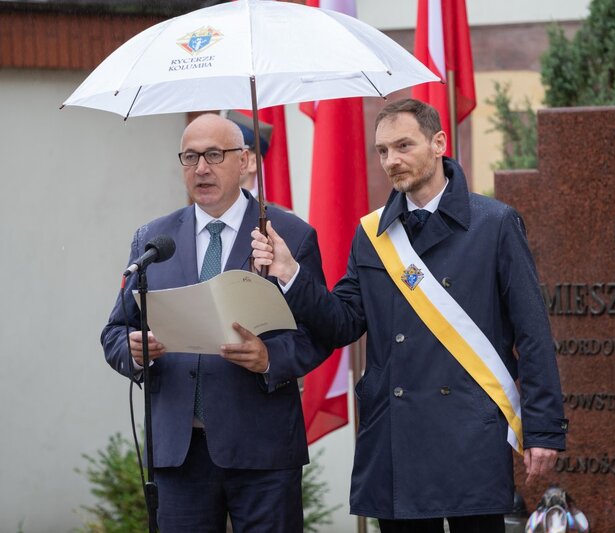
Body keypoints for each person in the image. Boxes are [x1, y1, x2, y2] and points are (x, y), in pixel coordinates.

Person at [251, 98, 568, 533]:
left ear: (438, 143)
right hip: (395, 438)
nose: (391, 160)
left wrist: (544, 430)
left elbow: (533, 334)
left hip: (470, 435)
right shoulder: (371, 234)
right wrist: (292, 274)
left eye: (403, 145)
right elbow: (342, 321)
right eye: (382, 150)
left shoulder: (494, 224)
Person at [101, 113, 329, 533]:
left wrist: (268, 358)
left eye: (214, 155)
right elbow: (115, 332)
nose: (201, 168)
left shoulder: (287, 234)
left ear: (243, 161)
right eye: (190, 157)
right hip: (179, 452)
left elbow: (320, 332)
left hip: (263, 450)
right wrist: (135, 351)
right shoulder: (153, 239)